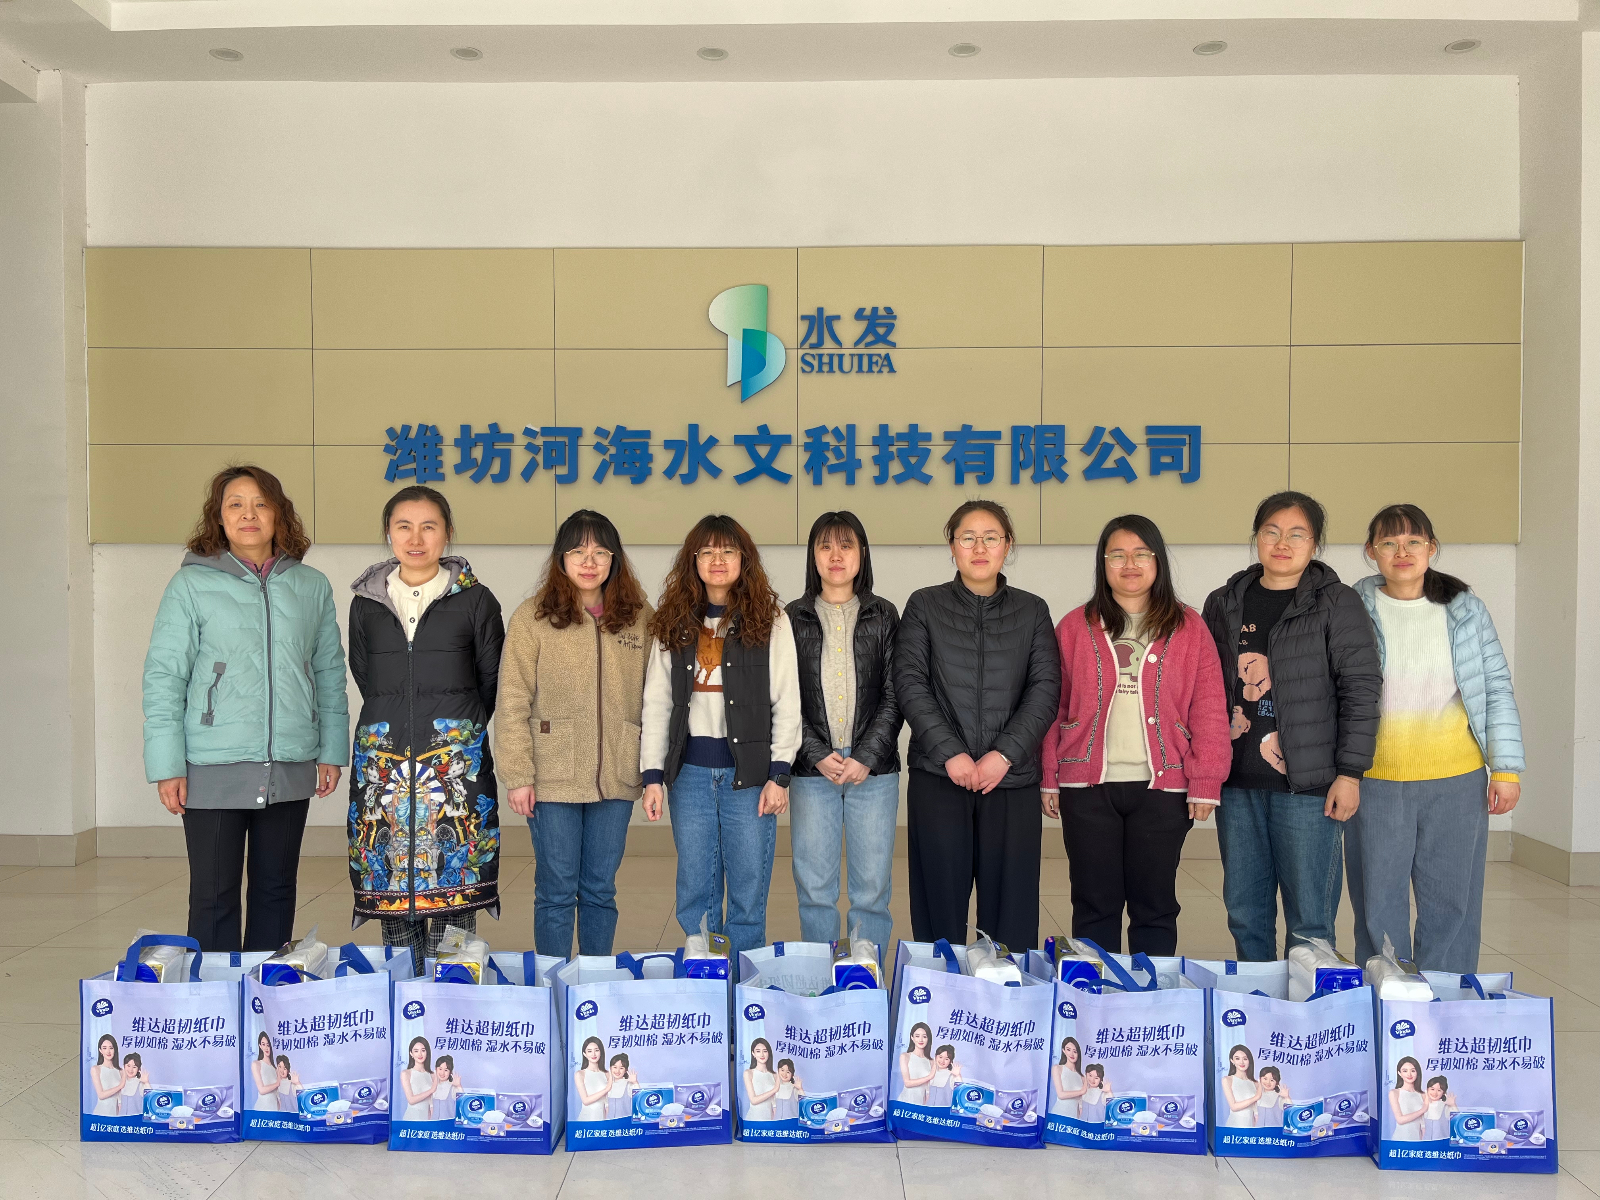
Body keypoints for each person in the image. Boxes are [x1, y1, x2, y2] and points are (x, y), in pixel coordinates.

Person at [143, 464, 348, 952]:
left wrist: (331, 750)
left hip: (290, 761)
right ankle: (216, 996)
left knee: (276, 891)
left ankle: (265, 991)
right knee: (213, 897)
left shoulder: (311, 585)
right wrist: (167, 764)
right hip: (212, 764)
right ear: (219, 516)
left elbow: (328, 671)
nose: (248, 514)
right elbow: (164, 676)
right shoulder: (190, 585)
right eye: (235, 504)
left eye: (261, 504)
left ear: (279, 514)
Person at [1201, 492, 1381, 961]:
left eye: (1297, 534)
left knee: (1310, 922)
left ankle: (1306, 1007)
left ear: (1314, 543)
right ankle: (1256, 1004)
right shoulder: (1224, 602)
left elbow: (1360, 689)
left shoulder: (1336, 603)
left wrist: (1350, 774)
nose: (1283, 543)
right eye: (1272, 532)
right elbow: (1204, 689)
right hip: (1237, 783)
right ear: (1256, 537)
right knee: (1245, 912)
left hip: (1308, 786)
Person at [1040, 514, 1230, 956]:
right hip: (1087, 787)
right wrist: (1049, 775)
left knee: (1155, 905)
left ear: (1158, 561)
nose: (1130, 564)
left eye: (1141, 554)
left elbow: (1208, 706)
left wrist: (1206, 779)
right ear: (1103, 563)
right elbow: (1052, 705)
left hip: (1163, 789)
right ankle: (1094, 991)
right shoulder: (1074, 626)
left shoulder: (1188, 626)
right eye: (1118, 555)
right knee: (1094, 903)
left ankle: (1151, 994)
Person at [1346, 504, 1524, 974]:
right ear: (1371, 551)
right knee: (1377, 902)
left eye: (1413, 542)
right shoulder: (1350, 609)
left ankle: (1446, 998)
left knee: (1452, 902)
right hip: (1374, 779)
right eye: (1389, 543)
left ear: (1431, 548)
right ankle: (1386, 996)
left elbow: (1495, 688)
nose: (1401, 552)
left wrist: (1506, 769)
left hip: (1456, 780)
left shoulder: (1465, 610)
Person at [347, 486, 505, 972]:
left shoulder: (477, 601)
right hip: (385, 768)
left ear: (447, 533)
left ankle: (451, 1002)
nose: (416, 539)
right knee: (394, 903)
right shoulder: (366, 603)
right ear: (388, 533)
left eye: (428, 526)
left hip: (452, 766)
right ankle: (406, 1000)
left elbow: (491, 682)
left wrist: (452, 733)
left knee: (454, 898)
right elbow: (366, 676)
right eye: (404, 527)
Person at [894, 500, 1059, 950]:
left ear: (1008, 545)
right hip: (939, 776)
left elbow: (1045, 689)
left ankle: (1005, 992)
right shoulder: (924, 605)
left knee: (1012, 912)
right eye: (968, 538)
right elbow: (909, 682)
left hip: (1011, 780)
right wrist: (951, 753)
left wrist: (1004, 754)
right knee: (939, 906)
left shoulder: (1032, 610)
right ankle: (939, 989)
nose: (979, 548)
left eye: (991, 538)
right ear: (952, 547)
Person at [640, 515, 801, 952]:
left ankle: (741, 979)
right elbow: (656, 703)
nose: (718, 560)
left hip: (749, 777)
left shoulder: (771, 620)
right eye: (707, 551)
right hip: (690, 774)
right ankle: (704, 975)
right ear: (692, 560)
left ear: (743, 559)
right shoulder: (673, 622)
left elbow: (787, 701)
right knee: (696, 887)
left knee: (748, 888)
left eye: (728, 551)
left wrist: (779, 773)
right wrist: (652, 776)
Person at [497, 510, 653, 958]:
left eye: (601, 552)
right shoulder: (533, 617)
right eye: (578, 552)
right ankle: (553, 984)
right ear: (560, 558)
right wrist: (518, 775)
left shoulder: (639, 617)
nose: (589, 562)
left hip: (617, 770)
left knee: (601, 888)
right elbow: (512, 699)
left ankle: (594, 983)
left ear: (615, 559)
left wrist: (653, 770)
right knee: (557, 889)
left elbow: (657, 697)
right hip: (552, 776)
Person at [786, 511, 902, 950]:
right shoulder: (791, 617)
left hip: (873, 771)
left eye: (846, 545)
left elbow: (897, 693)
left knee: (871, 890)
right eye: (825, 546)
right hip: (811, 768)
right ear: (813, 555)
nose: (836, 556)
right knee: (815, 888)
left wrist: (866, 756)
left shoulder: (883, 614)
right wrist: (815, 752)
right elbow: (783, 697)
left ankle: (864, 979)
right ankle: (821, 979)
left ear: (862, 553)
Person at [1389, 1056, 1427, 1141]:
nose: (1409, 1074)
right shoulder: (1394, 1093)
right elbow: (1400, 1120)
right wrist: (1422, 1110)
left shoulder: (1423, 1095)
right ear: (1399, 1073)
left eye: (1413, 1071)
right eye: (1405, 1071)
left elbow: (1423, 1124)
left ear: (1417, 1073)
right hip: (1399, 1141)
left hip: (1418, 1141)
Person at [401, 1036, 438, 1120]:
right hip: (411, 1119)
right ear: (411, 1054)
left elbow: (432, 1103)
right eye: (416, 1051)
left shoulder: (433, 1075)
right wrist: (431, 1090)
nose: (420, 1054)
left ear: (427, 1052)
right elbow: (411, 1100)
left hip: (427, 1120)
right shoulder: (406, 1073)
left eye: (423, 1050)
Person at [1222, 1045, 1259, 1128]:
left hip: (1251, 1127)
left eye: (1245, 1059)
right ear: (1232, 1061)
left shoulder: (1256, 1083)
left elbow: (1256, 1111)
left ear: (1249, 1061)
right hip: (1234, 1126)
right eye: (1237, 1058)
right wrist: (1256, 1097)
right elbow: (1233, 1107)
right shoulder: (1227, 1080)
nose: (1241, 1062)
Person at [897, 1023, 935, 1104]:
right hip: (905, 1102)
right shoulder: (905, 1056)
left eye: (924, 1036)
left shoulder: (931, 1061)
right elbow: (907, 1083)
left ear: (928, 1039)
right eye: (917, 1036)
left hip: (920, 1105)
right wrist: (929, 1077)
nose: (921, 1040)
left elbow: (928, 1090)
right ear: (912, 1038)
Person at [1051, 1036, 1086, 1118]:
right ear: (1063, 1051)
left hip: (1074, 1118)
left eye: (1075, 1051)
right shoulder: (1057, 1068)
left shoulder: (1082, 1077)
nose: (1071, 1054)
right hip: (1059, 1115)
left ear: (1078, 1054)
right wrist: (1081, 1091)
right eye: (1068, 1050)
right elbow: (1060, 1094)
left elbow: (1081, 1104)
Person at [575, 1037, 609, 1120]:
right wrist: (606, 1090)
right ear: (584, 1054)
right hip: (586, 1120)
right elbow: (585, 1101)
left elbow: (608, 1103)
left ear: (601, 1052)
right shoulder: (580, 1074)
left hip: (602, 1119)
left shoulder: (607, 1074)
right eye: (589, 1051)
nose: (593, 1054)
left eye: (596, 1050)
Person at [745, 1037, 780, 1120]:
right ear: (753, 1054)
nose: (762, 1054)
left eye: (765, 1051)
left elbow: (775, 1102)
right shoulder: (748, 1073)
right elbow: (753, 1100)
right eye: (758, 1051)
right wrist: (774, 1090)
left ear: (769, 1053)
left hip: (770, 1120)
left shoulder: (775, 1075)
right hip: (753, 1119)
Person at [91, 1035, 123, 1117]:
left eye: (111, 1048)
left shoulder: (121, 1071)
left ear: (115, 1049)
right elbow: (101, 1095)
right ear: (100, 1050)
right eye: (104, 1048)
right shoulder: (96, 1069)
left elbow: (120, 1099)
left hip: (115, 1115)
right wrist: (120, 1086)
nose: (108, 1051)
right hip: (100, 1114)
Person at [251, 1032, 279, 1111]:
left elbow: (277, 1095)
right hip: (262, 1108)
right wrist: (277, 1083)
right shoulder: (256, 1064)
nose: (266, 1048)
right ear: (260, 1046)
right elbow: (261, 1090)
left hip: (275, 1109)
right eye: (263, 1044)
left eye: (268, 1045)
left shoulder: (275, 1069)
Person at [1423, 1075, 1457, 1140]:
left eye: (1439, 1090)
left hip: (1442, 1143)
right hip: (1426, 1143)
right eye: (1432, 1089)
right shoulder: (1423, 1105)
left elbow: (1457, 1120)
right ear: (1427, 1089)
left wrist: (1453, 1105)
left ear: (1443, 1092)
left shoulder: (1445, 1106)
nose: (1435, 1093)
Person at [605, 1054, 636, 1119]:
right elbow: (606, 1108)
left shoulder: (628, 1084)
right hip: (610, 1123)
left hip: (624, 1123)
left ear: (626, 1070)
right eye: (615, 1067)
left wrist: (635, 1082)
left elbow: (640, 1098)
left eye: (621, 1068)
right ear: (610, 1068)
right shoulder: (607, 1085)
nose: (617, 1071)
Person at [430, 1056, 460, 1121]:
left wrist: (459, 1086)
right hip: (433, 1124)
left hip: (448, 1125)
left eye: (446, 1070)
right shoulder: (432, 1086)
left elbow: (462, 1102)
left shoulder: (452, 1087)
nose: (442, 1073)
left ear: (450, 1072)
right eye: (440, 1069)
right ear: (436, 1069)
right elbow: (430, 1108)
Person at [118, 1053, 148, 1118]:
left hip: (136, 1121)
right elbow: (119, 1105)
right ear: (124, 1066)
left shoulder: (140, 1083)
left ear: (138, 1069)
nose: (131, 1069)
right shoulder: (120, 1082)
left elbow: (151, 1098)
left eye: (134, 1067)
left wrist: (146, 1082)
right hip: (121, 1120)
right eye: (128, 1066)